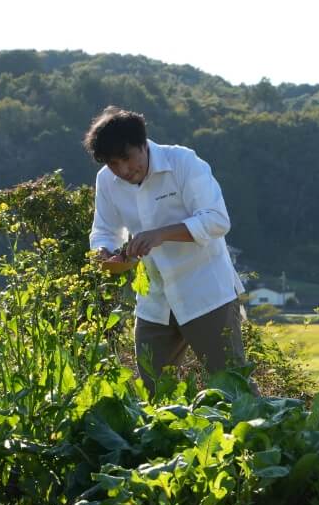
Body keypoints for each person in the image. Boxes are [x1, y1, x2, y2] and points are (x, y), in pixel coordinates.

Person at [83, 106, 250, 395]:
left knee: (232, 387)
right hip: (155, 298)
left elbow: (216, 220)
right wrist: (105, 254)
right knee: (154, 390)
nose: (123, 170)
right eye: (113, 163)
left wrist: (160, 235)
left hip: (206, 292)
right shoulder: (106, 181)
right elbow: (104, 231)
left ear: (143, 145)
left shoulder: (183, 162)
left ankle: (263, 425)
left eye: (127, 158)